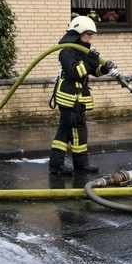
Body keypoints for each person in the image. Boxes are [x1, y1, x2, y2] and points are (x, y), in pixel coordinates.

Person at [48, 15, 116, 175]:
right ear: (78, 33)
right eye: (88, 34)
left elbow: (94, 71)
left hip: (79, 100)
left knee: (79, 132)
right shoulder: (66, 52)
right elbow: (75, 72)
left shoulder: (82, 53)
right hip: (68, 99)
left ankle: (81, 165)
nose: (90, 37)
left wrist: (104, 68)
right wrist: (90, 60)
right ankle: (56, 165)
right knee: (65, 131)